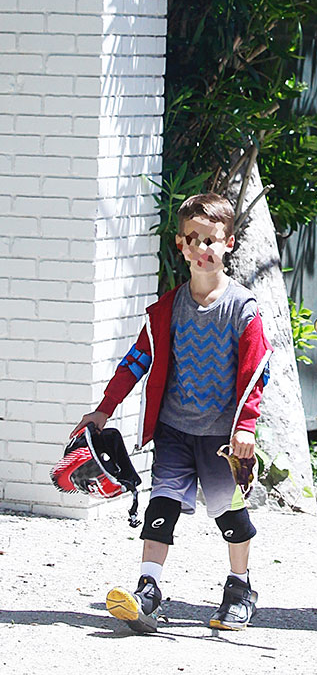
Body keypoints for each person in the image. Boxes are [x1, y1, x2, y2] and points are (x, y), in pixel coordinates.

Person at [71, 193, 272, 634]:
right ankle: (148, 591)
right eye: (193, 240)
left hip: (223, 438)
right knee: (162, 506)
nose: (203, 249)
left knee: (230, 516)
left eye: (212, 240)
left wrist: (246, 427)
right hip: (175, 430)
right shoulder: (166, 310)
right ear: (180, 245)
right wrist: (104, 411)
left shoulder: (243, 309)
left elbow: (258, 372)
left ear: (230, 243)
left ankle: (240, 588)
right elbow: (135, 362)